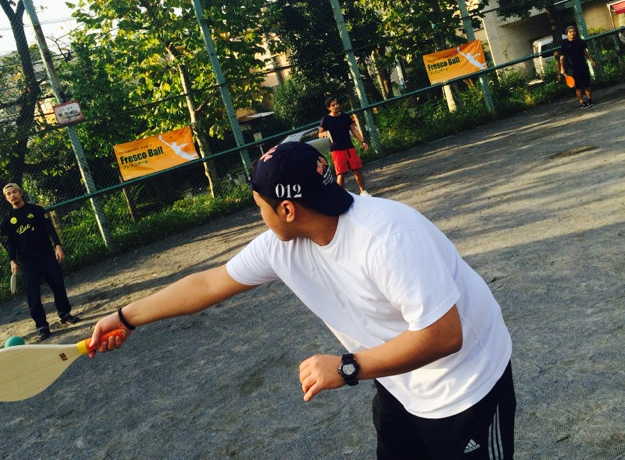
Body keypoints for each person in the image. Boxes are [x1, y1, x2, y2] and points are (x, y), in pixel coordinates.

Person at [87, 142, 516, 459]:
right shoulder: (281, 246)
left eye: (260, 206)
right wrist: (125, 317)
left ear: (288, 209)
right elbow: (208, 284)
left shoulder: (386, 238)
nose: (260, 216)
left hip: (466, 387)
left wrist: (347, 367)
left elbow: (443, 335)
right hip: (400, 385)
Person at [0, 183, 79, 340]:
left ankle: (65, 314)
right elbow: (10, 243)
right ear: (6, 198)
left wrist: (58, 246)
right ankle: (42, 326)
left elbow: (50, 229)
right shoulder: (8, 219)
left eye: (14, 192)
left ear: (20, 193)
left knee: (58, 286)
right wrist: (12, 261)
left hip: (47, 256)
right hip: (27, 262)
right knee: (33, 295)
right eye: (8, 194)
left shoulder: (37, 210)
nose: (12, 195)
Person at [318, 96, 371, 196]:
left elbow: (353, 129)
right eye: (333, 105)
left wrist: (362, 141)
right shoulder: (326, 119)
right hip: (337, 150)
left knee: (357, 170)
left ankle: (363, 191)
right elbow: (319, 134)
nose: (336, 106)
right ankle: (340, 195)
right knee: (340, 173)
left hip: (349, 147)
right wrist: (324, 133)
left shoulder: (345, 116)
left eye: (337, 104)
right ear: (328, 108)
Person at [559, 25, 597, 108]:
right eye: (570, 32)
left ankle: (589, 99)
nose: (572, 33)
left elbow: (584, 51)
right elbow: (562, 57)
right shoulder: (565, 44)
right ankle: (581, 102)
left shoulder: (580, 42)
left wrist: (591, 60)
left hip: (583, 66)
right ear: (567, 34)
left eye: (574, 31)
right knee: (578, 86)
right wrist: (562, 68)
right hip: (573, 69)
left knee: (587, 84)